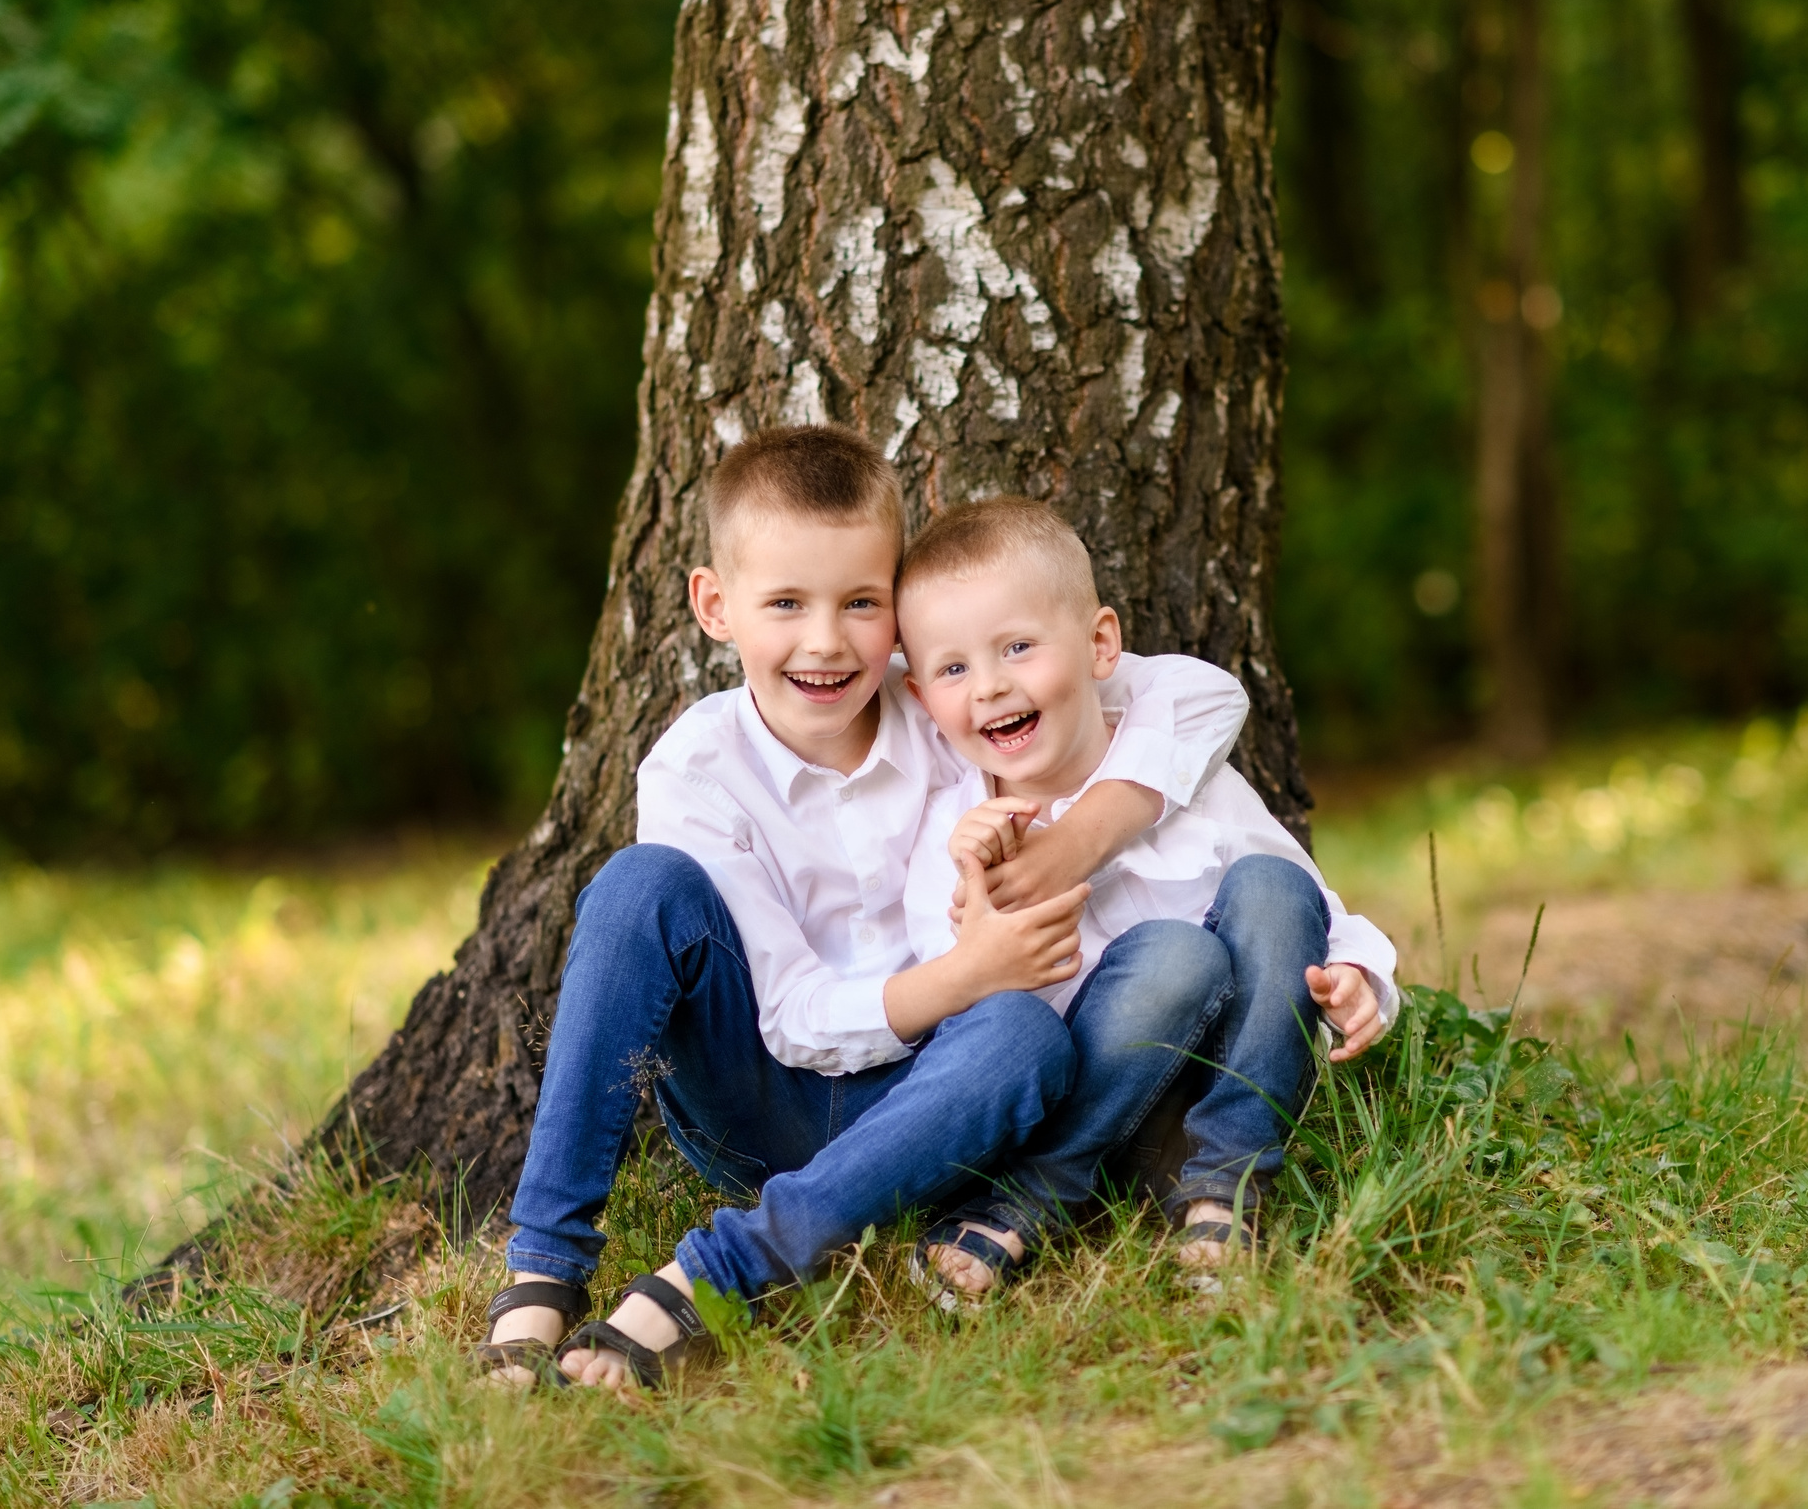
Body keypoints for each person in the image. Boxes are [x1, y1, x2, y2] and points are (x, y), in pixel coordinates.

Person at [478, 427, 1251, 1388]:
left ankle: (721, 1271)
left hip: (942, 1102)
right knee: (639, 885)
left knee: (1024, 1036)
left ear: (899, 608)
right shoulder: (696, 768)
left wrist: (1073, 843)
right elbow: (794, 1016)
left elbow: (1197, 693)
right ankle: (545, 1264)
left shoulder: (948, 699)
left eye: (861, 603)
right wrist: (965, 972)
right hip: (760, 1098)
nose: (826, 641)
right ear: (715, 606)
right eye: (786, 603)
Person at [893, 497, 1399, 1299]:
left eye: (1018, 647)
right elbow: (975, 1024)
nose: (989, 686)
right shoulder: (956, 841)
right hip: (1097, 1100)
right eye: (954, 668)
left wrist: (1361, 979)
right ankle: (1032, 1190)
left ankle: (1223, 1192)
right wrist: (980, 913)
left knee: (1274, 884)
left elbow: (1311, 907)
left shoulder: (1183, 774)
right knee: (1176, 954)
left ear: (1101, 645)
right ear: (923, 699)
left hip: (1234, 1088)